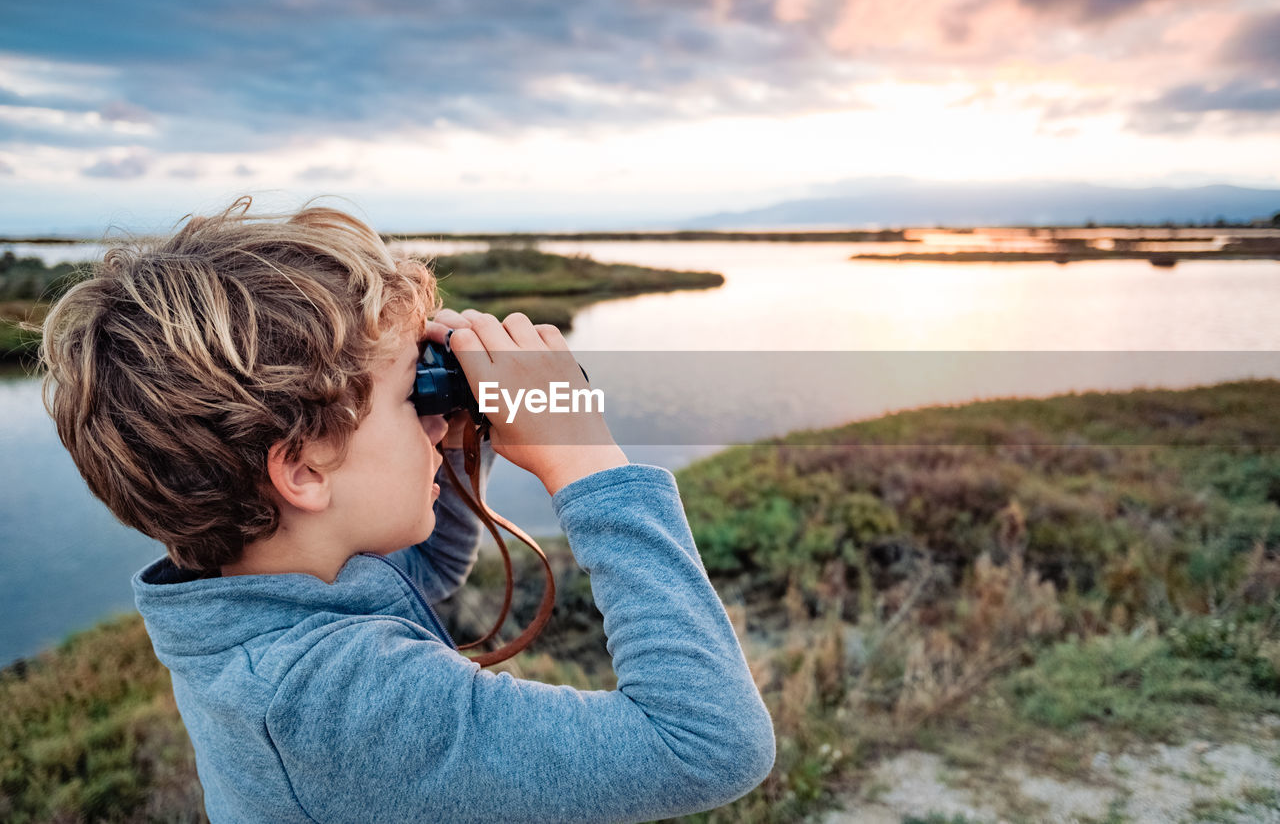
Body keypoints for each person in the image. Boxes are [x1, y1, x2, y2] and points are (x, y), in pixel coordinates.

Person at [38, 197, 775, 823]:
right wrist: (584, 457)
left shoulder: (253, 593)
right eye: (409, 399)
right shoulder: (330, 700)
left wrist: (451, 438)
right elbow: (706, 740)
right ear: (301, 467)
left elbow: (421, 571)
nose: (434, 415)